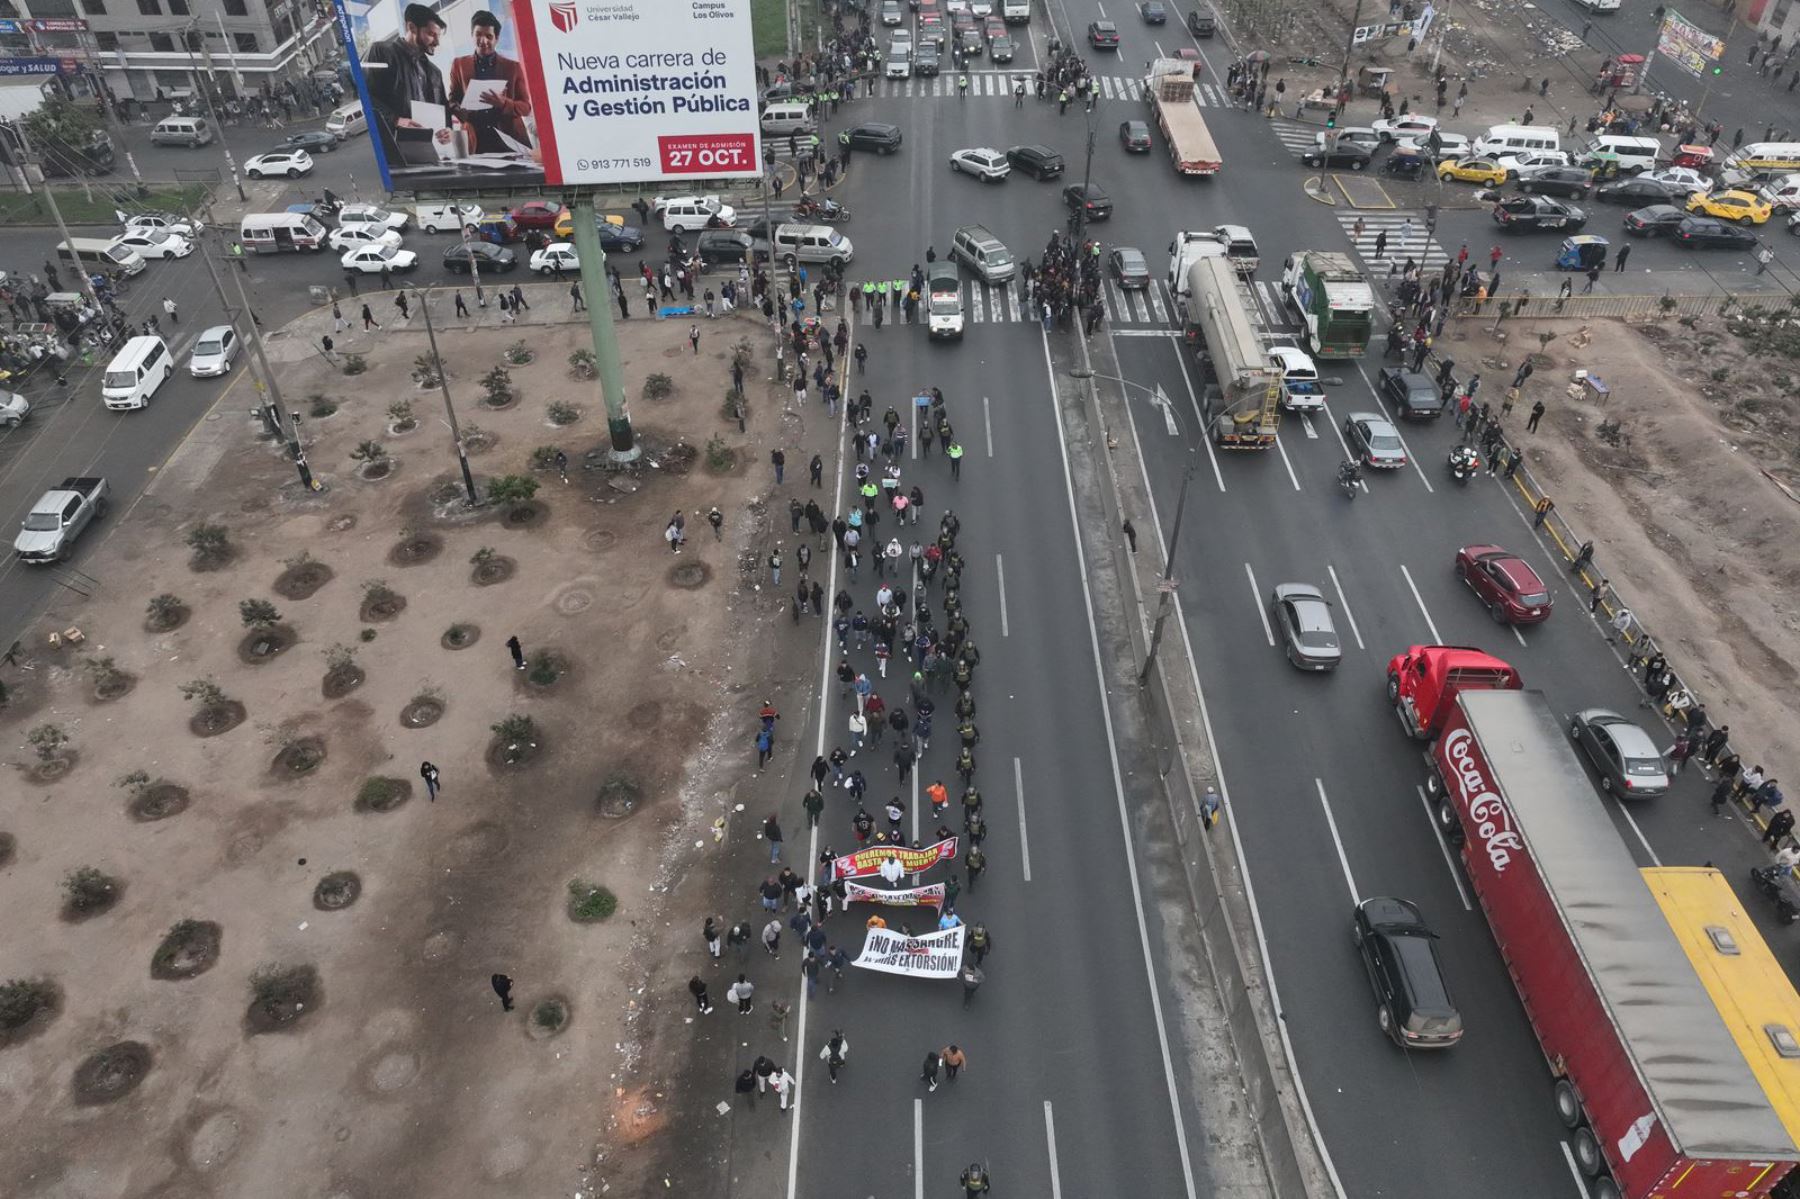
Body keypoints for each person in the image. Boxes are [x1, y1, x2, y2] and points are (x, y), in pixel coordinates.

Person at [362, 3, 451, 168]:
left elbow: (444, 108)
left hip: (432, 154)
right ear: (411, 27)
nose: (437, 42)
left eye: (438, 36)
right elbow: (366, 96)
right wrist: (396, 120)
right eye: (431, 34)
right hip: (395, 155)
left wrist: (448, 131)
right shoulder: (381, 52)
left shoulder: (434, 72)